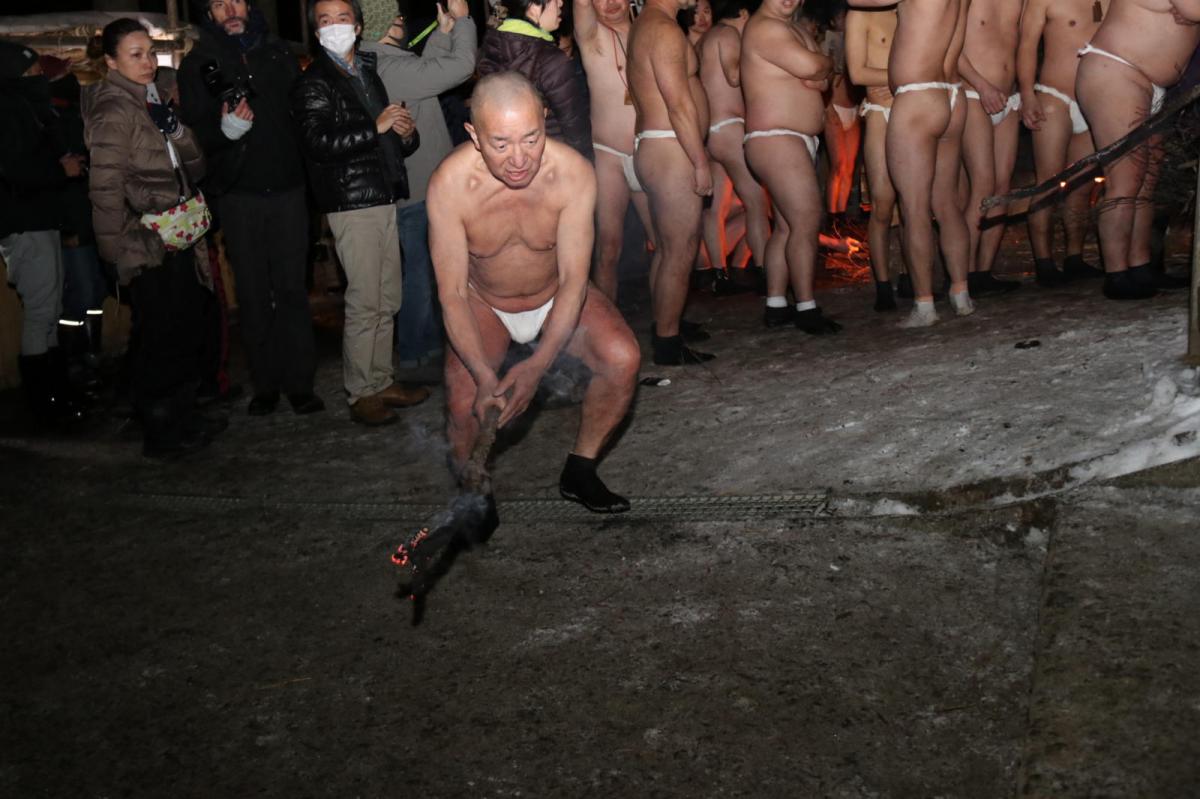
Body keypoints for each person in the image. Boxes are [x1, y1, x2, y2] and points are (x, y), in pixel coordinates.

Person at [429, 71, 640, 512]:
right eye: (501, 144)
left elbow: (575, 280)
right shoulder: (450, 185)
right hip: (485, 302)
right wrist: (488, 378)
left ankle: (580, 471)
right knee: (463, 400)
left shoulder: (573, 174)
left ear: (545, 121)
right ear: (473, 134)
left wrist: (539, 364)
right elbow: (451, 294)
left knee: (623, 357)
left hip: (554, 295)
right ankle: (475, 492)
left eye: (531, 138)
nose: (519, 158)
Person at [178, 0, 323, 417]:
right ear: (209, 13)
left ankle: (300, 384)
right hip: (238, 195)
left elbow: (298, 117)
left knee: (293, 292)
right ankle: (266, 385)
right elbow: (193, 135)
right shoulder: (198, 63)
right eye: (219, 4)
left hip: (289, 191)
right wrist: (224, 132)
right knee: (254, 295)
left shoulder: (277, 53)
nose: (230, 9)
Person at [83, 18, 220, 456]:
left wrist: (176, 131)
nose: (148, 63)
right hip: (144, 238)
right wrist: (116, 252)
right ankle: (163, 432)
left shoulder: (153, 98)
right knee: (162, 334)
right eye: (135, 55)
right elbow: (104, 187)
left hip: (175, 232)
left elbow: (196, 168)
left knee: (183, 326)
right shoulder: (113, 110)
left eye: (151, 53)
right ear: (110, 62)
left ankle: (182, 417)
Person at [293, 0, 430, 425]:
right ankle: (360, 392)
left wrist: (406, 135)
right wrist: (377, 128)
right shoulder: (315, 82)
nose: (334, 26)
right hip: (351, 201)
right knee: (365, 299)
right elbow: (318, 144)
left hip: (382, 193)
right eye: (324, 21)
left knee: (387, 297)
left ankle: (381, 379)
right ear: (316, 33)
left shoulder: (366, 74)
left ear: (357, 24)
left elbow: (387, 137)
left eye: (342, 18)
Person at [359, 0, 477, 374]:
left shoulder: (385, 61)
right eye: (394, 18)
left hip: (420, 186)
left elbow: (424, 72)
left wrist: (442, 34)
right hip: (418, 191)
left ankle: (423, 349)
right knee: (421, 277)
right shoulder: (387, 64)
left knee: (422, 273)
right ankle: (414, 354)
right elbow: (459, 69)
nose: (401, 21)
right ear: (379, 25)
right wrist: (463, 21)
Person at [848, 0, 975, 327]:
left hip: (919, 96)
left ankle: (924, 305)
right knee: (947, 205)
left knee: (914, 208)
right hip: (953, 94)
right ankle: (961, 295)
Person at [1074, 0, 1200, 300]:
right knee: (1124, 182)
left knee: (1145, 184)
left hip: (1151, 81)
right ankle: (1117, 274)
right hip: (1117, 69)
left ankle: (1140, 266)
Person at [0, 41, 88, 423]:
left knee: (48, 309)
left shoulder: (22, 106)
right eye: (33, 72)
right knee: (41, 312)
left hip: (39, 218)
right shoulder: (8, 109)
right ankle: (45, 402)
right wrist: (59, 170)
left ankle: (57, 392)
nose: (40, 78)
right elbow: (15, 170)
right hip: (25, 222)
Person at [741, 0, 842, 334]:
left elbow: (824, 82)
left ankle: (776, 304)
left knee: (787, 227)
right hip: (776, 137)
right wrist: (824, 64)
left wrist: (820, 69)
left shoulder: (795, 28)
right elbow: (816, 68)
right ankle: (806, 307)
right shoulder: (766, 27)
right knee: (806, 221)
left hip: (793, 139)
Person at [628, 0, 718, 364]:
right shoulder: (663, 30)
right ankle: (667, 341)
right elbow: (678, 103)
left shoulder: (650, 23)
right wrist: (699, 161)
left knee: (668, 249)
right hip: (671, 149)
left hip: (660, 145)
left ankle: (666, 326)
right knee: (680, 249)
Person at [572, 0, 657, 304]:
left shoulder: (650, 32)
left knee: (662, 243)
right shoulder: (591, 36)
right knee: (608, 248)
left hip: (649, 150)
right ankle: (606, 325)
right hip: (608, 156)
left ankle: (670, 322)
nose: (609, 3)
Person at [1016, 0, 1107, 283]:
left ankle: (1074, 257)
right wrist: (1027, 95)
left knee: (1081, 186)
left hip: (1095, 99)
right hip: (1054, 97)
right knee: (1047, 183)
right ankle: (1044, 262)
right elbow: (1027, 46)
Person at [697, 0, 770, 287]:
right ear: (743, 13)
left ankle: (720, 273)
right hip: (728, 128)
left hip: (712, 132)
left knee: (717, 208)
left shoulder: (706, 39)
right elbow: (734, 75)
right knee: (757, 201)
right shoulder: (728, 36)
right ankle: (765, 271)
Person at [958, 0, 1023, 295]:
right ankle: (964, 274)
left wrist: (1025, 93)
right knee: (982, 184)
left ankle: (984, 272)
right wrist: (982, 85)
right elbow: (949, 44)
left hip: (1009, 97)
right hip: (973, 93)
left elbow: (1019, 42)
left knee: (1002, 186)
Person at [477, 0, 593, 158]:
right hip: (553, 159)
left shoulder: (491, 43)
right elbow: (575, 128)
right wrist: (586, 169)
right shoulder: (552, 61)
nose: (560, 3)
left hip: (510, 158)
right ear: (533, 5)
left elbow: (498, 16)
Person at [845, 5, 901, 311]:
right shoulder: (860, 14)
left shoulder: (907, 10)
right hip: (880, 114)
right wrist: (903, 77)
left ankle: (909, 275)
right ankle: (882, 284)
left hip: (912, 109)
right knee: (882, 202)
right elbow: (856, 72)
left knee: (913, 202)